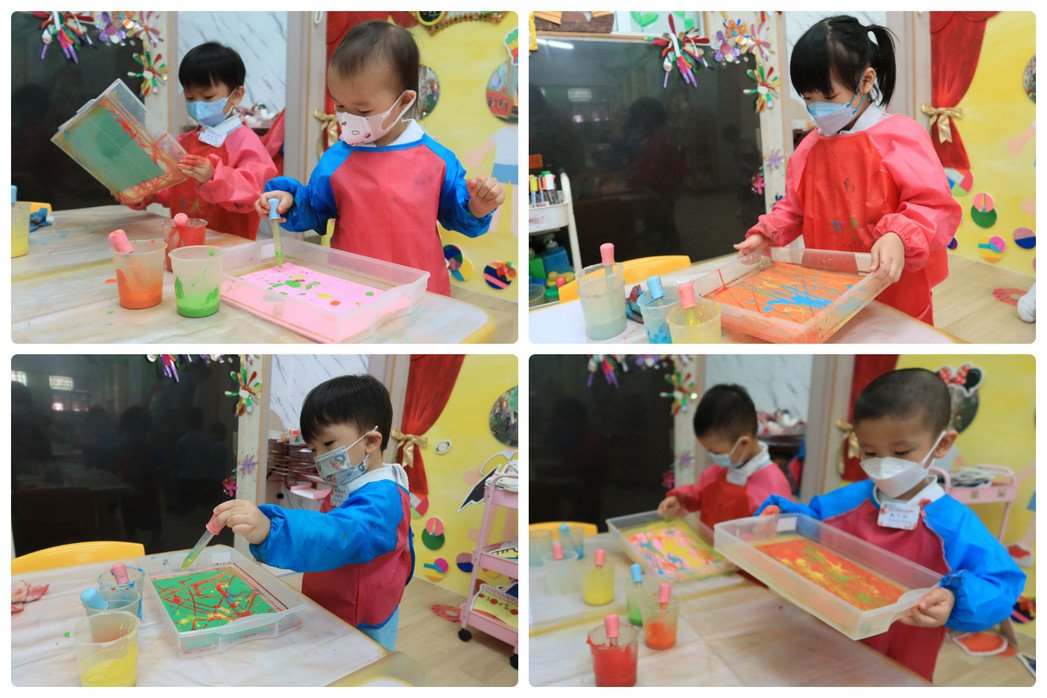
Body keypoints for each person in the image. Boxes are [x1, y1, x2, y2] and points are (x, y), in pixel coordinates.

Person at [756, 368, 1025, 681]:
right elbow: (812, 520)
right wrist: (783, 516)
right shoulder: (852, 498)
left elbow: (1001, 585)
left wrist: (954, 599)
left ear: (941, 444)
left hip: (900, 659)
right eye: (870, 452)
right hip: (830, 641)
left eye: (900, 452)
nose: (883, 465)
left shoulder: (954, 524)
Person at [735, 16, 961, 323]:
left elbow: (933, 205)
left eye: (829, 98)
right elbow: (795, 208)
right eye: (808, 99)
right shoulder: (809, 149)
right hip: (831, 285)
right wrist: (768, 234)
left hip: (893, 286)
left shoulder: (900, 138)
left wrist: (898, 236)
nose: (818, 109)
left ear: (866, 80)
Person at [256, 21, 504, 295]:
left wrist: (477, 207)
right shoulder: (337, 159)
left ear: (403, 101)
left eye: (363, 110)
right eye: (340, 105)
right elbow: (314, 208)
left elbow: (456, 215)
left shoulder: (436, 160)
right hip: (352, 289)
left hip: (421, 292)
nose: (348, 118)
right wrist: (290, 202)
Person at [213, 375, 413, 650]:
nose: (320, 458)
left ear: (370, 441)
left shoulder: (383, 499)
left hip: (360, 617)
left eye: (328, 444)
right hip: (329, 599)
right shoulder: (347, 483)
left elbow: (340, 533)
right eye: (314, 449)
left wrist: (272, 529)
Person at [120, 42, 277, 240]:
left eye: (208, 97)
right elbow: (172, 190)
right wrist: (144, 192)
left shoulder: (246, 142)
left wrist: (215, 177)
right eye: (190, 98)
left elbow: (255, 193)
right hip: (184, 243)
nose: (198, 105)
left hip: (231, 246)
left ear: (236, 95)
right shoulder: (184, 142)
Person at [658, 385, 792, 529]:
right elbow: (701, 492)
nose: (713, 457)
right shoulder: (720, 470)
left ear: (743, 443)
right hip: (709, 541)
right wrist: (680, 500)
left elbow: (784, 532)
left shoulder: (773, 487)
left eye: (716, 452)